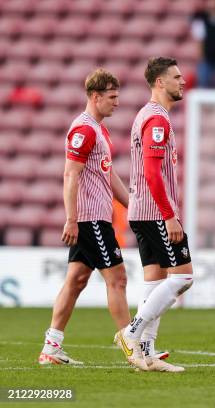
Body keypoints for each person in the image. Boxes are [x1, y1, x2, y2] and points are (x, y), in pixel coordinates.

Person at [38, 69, 139, 368]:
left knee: (76, 280)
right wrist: (71, 219)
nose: (117, 102)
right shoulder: (83, 130)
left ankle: (51, 347)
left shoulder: (98, 128)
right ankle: (131, 345)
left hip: (94, 218)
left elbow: (108, 174)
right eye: (112, 97)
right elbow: (70, 174)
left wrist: (133, 207)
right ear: (95, 97)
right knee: (117, 279)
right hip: (90, 219)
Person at [115, 57, 193, 373]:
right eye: (176, 77)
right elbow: (151, 170)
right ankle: (131, 333)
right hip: (154, 212)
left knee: (155, 280)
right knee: (184, 277)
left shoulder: (149, 115)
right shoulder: (157, 119)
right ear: (159, 82)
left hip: (142, 210)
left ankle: (145, 354)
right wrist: (169, 214)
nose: (182, 81)